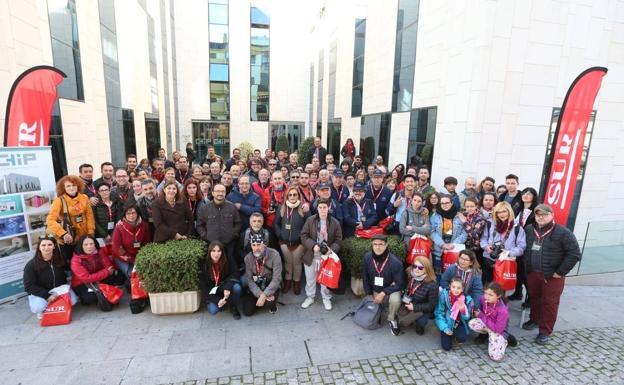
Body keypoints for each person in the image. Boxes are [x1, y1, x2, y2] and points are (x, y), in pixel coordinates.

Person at [521, 204, 581, 345]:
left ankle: (545, 330)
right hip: (533, 273)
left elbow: (574, 254)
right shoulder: (530, 229)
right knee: (534, 298)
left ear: (552, 215)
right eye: (538, 214)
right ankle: (534, 320)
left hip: (552, 276)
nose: (541, 217)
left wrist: (559, 272)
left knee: (550, 303)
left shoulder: (563, 233)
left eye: (544, 214)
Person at [300, 199, 343, 310]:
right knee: (310, 278)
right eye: (320, 208)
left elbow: (339, 240)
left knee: (325, 278)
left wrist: (331, 249)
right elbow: (303, 236)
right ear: (317, 209)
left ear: (329, 208)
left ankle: (326, 298)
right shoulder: (310, 220)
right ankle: (310, 297)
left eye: (325, 207)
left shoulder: (335, 222)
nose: (323, 210)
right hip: (311, 254)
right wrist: (313, 245)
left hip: (327, 256)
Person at [23, 236, 78, 318]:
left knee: (73, 301)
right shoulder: (31, 265)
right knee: (38, 307)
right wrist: (46, 295)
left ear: (54, 246)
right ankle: (43, 308)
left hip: (58, 289)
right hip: (41, 292)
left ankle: (53, 305)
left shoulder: (59, 259)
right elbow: (29, 286)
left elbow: (71, 267)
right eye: (43, 245)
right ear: (39, 247)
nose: (46, 247)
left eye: (49, 245)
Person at [46, 175, 95, 265]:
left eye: (74, 185)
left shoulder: (84, 197)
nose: (71, 188)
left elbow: (89, 216)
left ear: (78, 186)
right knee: (70, 263)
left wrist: (90, 232)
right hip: (68, 239)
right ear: (63, 188)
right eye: (68, 186)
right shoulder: (59, 200)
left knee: (83, 261)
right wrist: (63, 233)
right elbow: (50, 220)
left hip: (82, 237)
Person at [362, 234, 404, 335]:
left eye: (381, 244)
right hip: (375, 288)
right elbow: (365, 276)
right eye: (375, 244)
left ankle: (392, 318)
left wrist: (383, 293)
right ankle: (378, 310)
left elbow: (399, 284)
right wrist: (368, 293)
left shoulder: (395, 262)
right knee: (374, 307)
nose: (377, 247)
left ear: (386, 245)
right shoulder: (367, 257)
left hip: (390, 289)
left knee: (395, 300)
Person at [70, 235, 125, 306]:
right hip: (82, 284)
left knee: (118, 276)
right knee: (91, 298)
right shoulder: (76, 260)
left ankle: (105, 294)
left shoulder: (99, 252)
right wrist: (105, 272)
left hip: (98, 278)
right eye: (86, 244)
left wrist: (105, 273)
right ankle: (86, 299)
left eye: (91, 244)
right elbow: (86, 278)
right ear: (81, 246)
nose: (89, 247)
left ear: (95, 244)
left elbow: (109, 266)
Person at [480, 201, 527, 284]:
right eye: (498, 212)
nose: (501, 214)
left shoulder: (517, 228)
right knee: (487, 285)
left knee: (502, 287)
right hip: (489, 259)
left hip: (506, 261)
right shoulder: (490, 224)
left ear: (509, 212)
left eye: (504, 211)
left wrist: (508, 252)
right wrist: (486, 247)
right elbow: (483, 239)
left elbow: (521, 247)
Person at [274, 187, 309, 295]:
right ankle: (288, 281)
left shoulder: (303, 208)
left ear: (298, 196)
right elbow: (276, 223)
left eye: (295, 194)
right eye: (290, 195)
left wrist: (302, 238)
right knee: (288, 263)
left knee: (297, 263)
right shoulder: (282, 207)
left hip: (299, 243)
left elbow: (309, 224)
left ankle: (296, 282)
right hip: (284, 242)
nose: (292, 197)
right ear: (287, 196)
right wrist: (280, 235)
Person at [197, 184, 241, 265]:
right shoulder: (205, 208)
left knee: (229, 265)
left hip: (228, 244)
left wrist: (232, 234)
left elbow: (237, 223)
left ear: (225, 193)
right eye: (217, 191)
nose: (220, 193)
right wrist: (205, 236)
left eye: (222, 191)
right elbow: (200, 225)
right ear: (213, 193)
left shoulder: (232, 207)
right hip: (211, 244)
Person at [469, 282, 511, 361]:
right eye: (485, 293)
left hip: (499, 331)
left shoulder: (502, 311)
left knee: (495, 357)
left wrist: (481, 315)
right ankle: (488, 335)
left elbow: (498, 329)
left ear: (498, 296)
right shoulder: (483, 299)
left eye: (490, 295)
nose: (487, 296)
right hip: (489, 325)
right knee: (472, 323)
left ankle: (506, 340)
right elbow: (480, 308)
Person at [200, 241, 242, 319]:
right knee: (213, 310)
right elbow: (204, 288)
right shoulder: (204, 264)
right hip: (212, 292)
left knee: (237, 288)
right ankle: (224, 302)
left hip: (224, 286)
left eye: (219, 251)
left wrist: (228, 287)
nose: (216, 254)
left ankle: (232, 305)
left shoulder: (227, 259)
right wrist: (217, 300)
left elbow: (236, 273)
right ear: (209, 252)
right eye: (213, 251)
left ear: (222, 252)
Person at [242, 234, 282, 316]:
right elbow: (249, 280)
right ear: (251, 246)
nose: (256, 248)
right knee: (247, 312)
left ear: (264, 244)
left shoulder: (275, 255)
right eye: (253, 245)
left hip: (270, 283)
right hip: (257, 284)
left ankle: (270, 302)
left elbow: (277, 279)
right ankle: (262, 300)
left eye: (259, 245)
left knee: (269, 303)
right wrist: (260, 294)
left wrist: (264, 295)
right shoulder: (248, 258)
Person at [397, 256, 438, 335]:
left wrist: (414, 307)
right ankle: (409, 319)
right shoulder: (410, 274)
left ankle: (420, 326)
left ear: (427, 269)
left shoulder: (432, 285)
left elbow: (432, 305)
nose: (416, 269)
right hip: (408, 301)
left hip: (421, 308)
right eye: (415, 266)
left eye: (420, 268)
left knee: (422, 321)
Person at [111, 204, 151, 279]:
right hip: (123, 258)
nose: (131, 216)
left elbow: (147, 243)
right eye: (128, 214)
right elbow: (117, 248)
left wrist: (142, 257)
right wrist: (131, 259)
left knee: (146, 273)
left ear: (138, 213)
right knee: (132, 275)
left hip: (139, 257)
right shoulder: (119, 227)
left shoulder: (144, 225)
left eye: (133, 213)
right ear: (124, 215)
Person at [430, 194, 467, 276]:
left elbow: (464, 233)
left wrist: (453, 244)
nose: (445, 205)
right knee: (438, 275)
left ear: (452, 203)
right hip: (439, 251)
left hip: (454, 251)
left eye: (447, 203)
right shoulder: (435, 215)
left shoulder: (459, 216)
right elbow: (432, 232)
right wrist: (442, 244)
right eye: (442, 203)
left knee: (454, 275)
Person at [435, 277, 473, 351]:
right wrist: (445, 328)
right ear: (450, 286)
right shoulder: (444, 295)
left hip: (458, 322)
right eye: (453, 287)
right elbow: (439, 313)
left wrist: (463, 311)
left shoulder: (466, 299)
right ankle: (446, 332)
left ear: (462, 289)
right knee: (446, 347)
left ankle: (456, 334)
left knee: (462, 338)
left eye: (458, 288)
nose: (455, 290)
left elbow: (467, 317)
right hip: (447, 322)